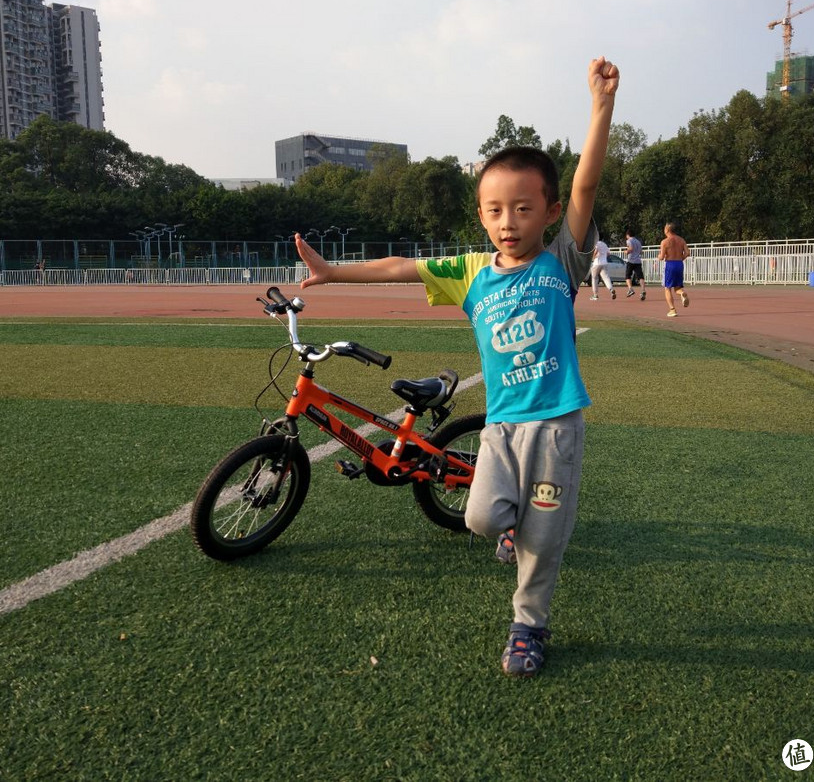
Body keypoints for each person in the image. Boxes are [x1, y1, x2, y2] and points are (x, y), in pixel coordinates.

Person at [294, 55, 619, 677]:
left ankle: (529, 625)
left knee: (544, 544)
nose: (508, 222)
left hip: (556, 428)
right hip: (498, 429)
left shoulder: (560, 266)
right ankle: (508, 529)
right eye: (495, 210)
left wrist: (600, 105)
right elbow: (402, 267)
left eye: (524, 209)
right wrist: (335, 272)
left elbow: (585, 186)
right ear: (481, 215)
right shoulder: (470, 274)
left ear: (548, 214)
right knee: (480, 516)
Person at [657, 222, 690, 317]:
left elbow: (662, 256)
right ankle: (682, 293)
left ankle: (672, 309)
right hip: (679, 264)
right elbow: (687, 252)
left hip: (670, 264)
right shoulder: (681, 240)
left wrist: (658, 256)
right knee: (677, 287)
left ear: (667, 230)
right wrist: (681, 258)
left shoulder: (665, 242)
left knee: (667, 288)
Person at [623, 228, 646, 300]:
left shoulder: (629, 240)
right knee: (640, 276)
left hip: (631, 261)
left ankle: (630, 289)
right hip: (638, 261)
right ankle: (643, 290)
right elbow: (641, 252)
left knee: (627, 276)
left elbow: (631, 248)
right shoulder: (638, 242)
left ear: (628, 235)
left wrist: (626, 251)